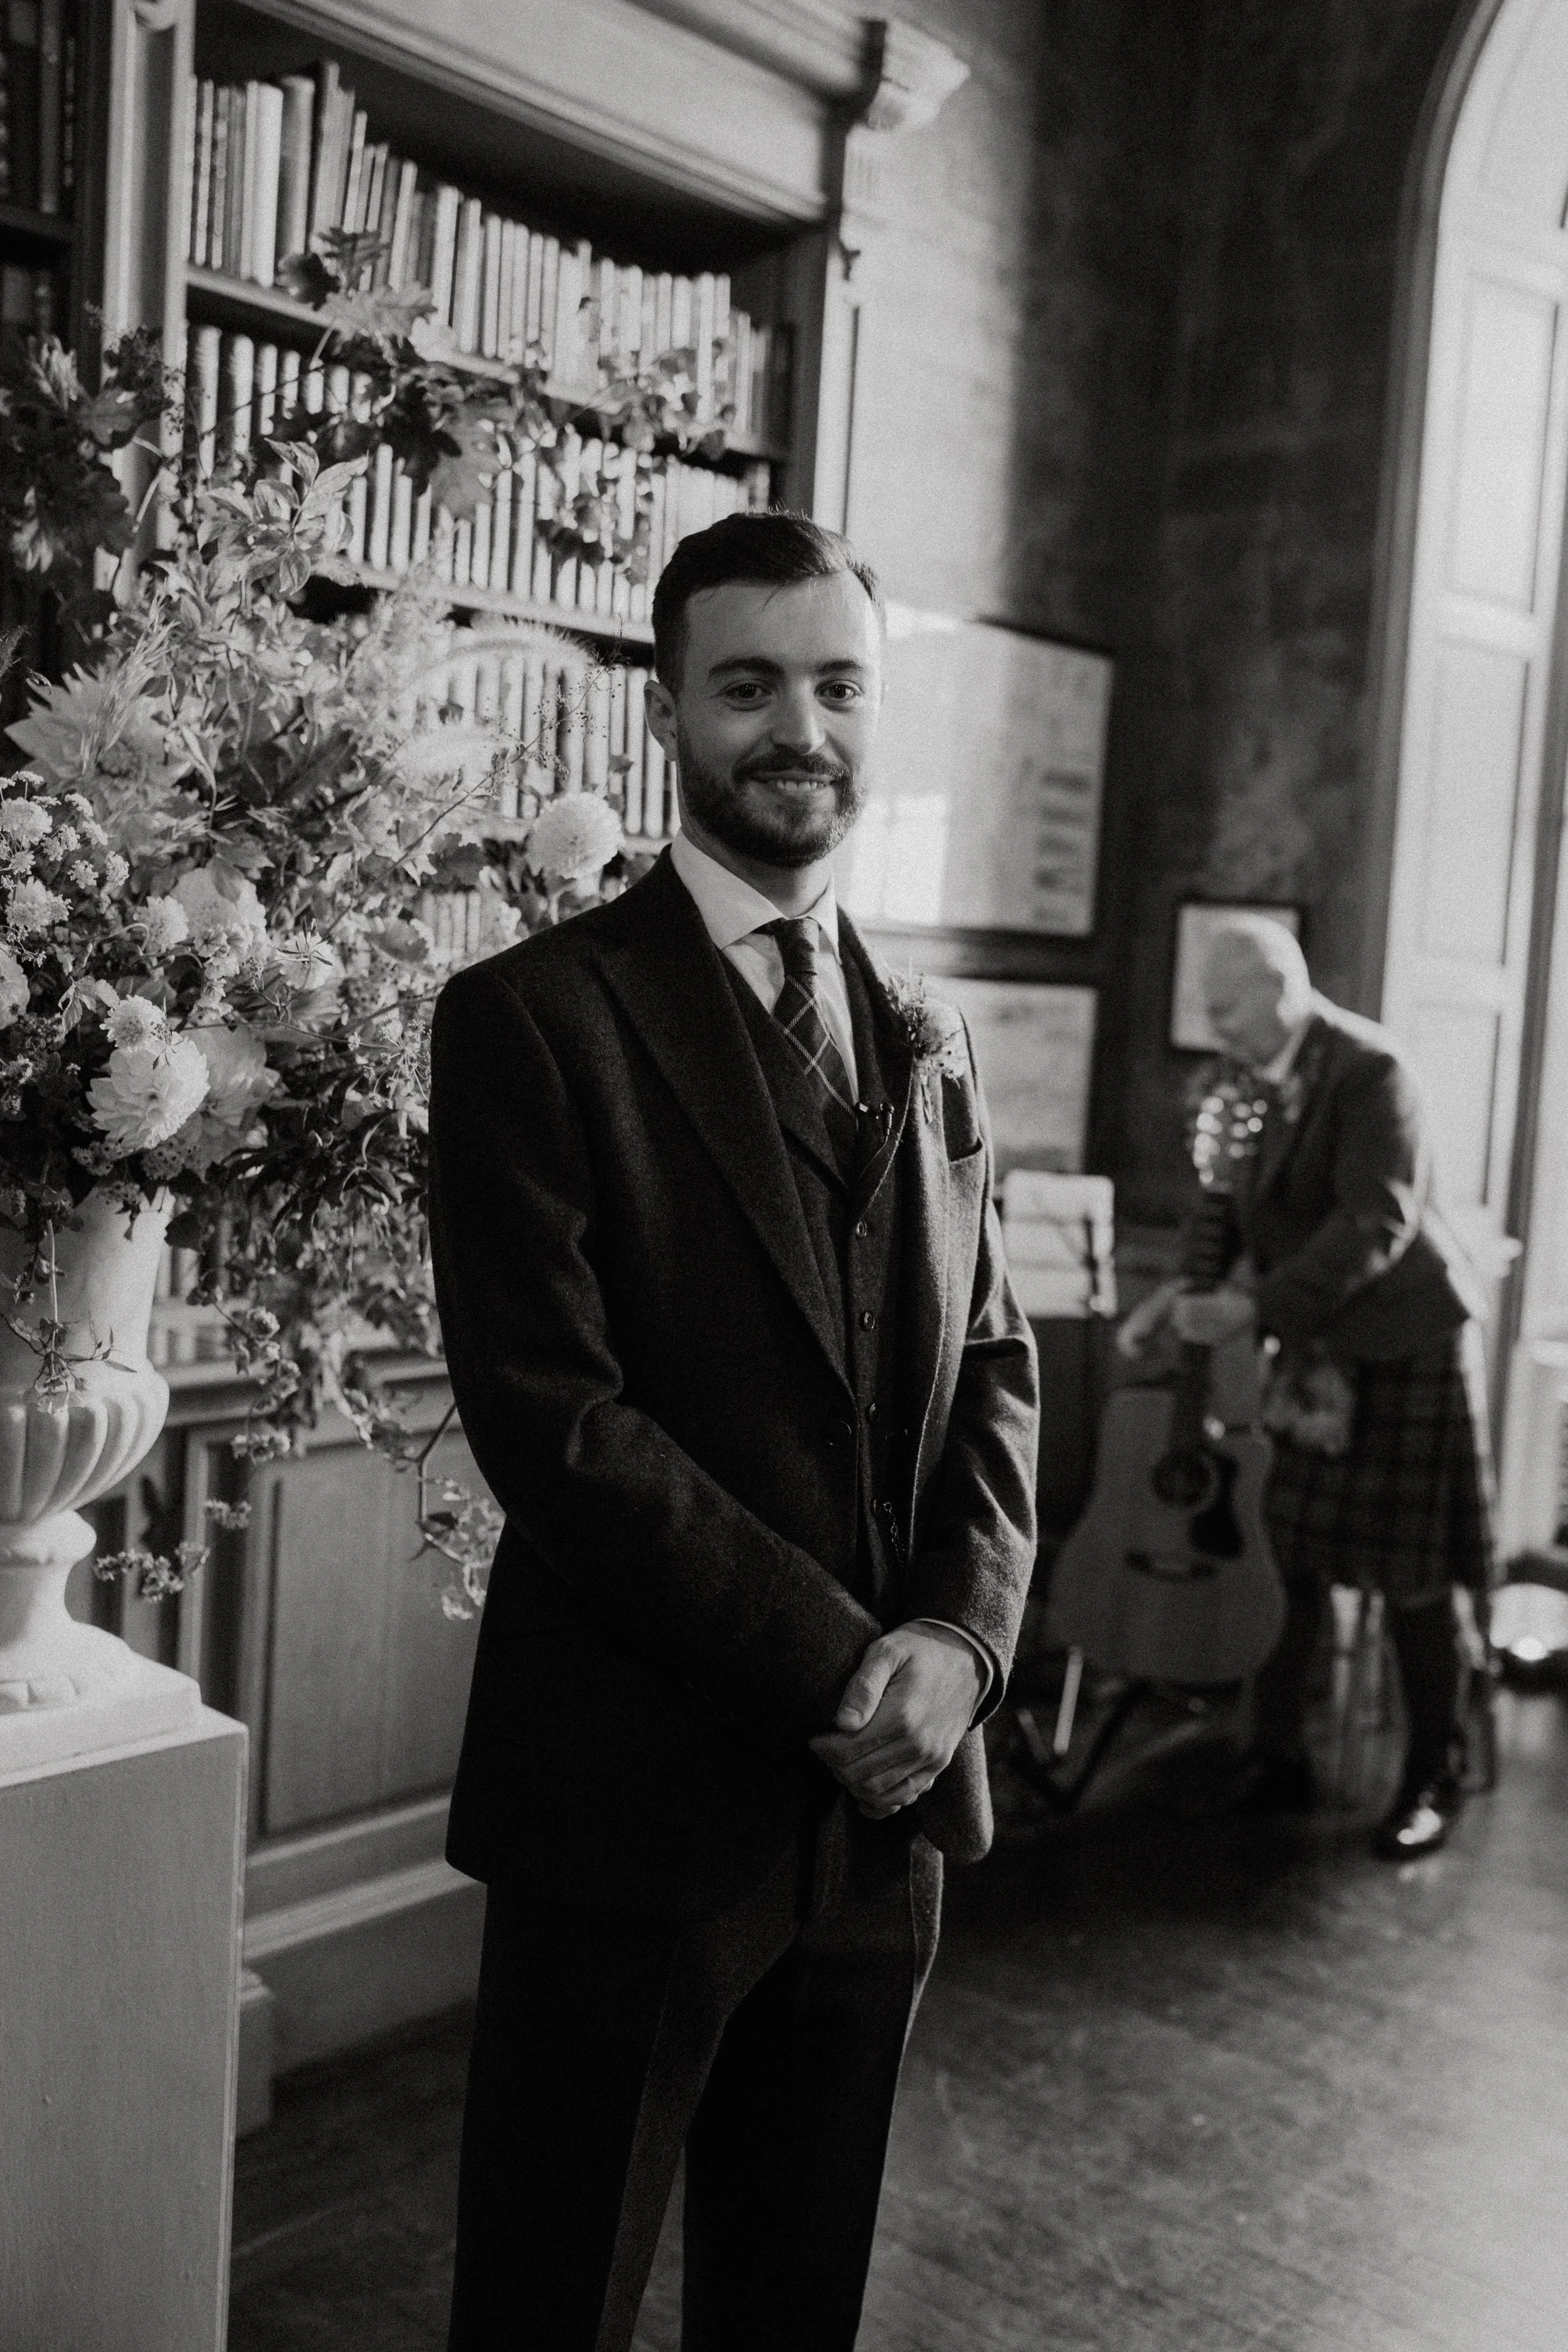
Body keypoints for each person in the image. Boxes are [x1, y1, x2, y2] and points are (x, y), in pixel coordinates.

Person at [426, 510, 1040, 2351]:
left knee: (793, 2300)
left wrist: (962, 1638)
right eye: (751, 683)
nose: (802, 726)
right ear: (670, 710)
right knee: (552, 2294)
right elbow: (558, 1418)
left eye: (839, 683)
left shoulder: (923, 1027)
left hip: (884, 1812)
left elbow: (993, 1356)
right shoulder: (531, 1016)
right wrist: (851, 1670)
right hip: (629, 1793)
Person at [1121, 916, 1495, 1860]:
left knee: (1414, 1576)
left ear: (1281, 987)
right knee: (1285, 1554)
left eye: (1225, 1006)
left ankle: (1430, 1777)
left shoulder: (1374, 1072)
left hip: (1408, 1346)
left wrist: (1253, 1311)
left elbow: (1377, 1221)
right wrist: (1181, 1293)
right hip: (1318, 1348)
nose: (1216, 1028)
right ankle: (1275, 1756)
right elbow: (1230, 1208)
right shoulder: (1249, 1086)